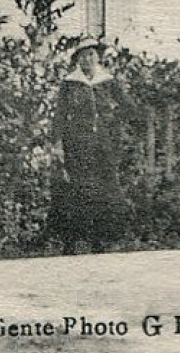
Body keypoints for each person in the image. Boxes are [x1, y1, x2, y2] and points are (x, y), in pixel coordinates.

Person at [47, 37, 131, 253]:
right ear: (78, 59)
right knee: (78, 190)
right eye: (84, 55)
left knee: (104, 190)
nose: (89, 58)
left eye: (92, 54)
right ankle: (72, 240)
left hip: (104, 144)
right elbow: (60, 115)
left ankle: (99, 240)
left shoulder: (108, 81)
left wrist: (114, 124)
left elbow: (128, 107)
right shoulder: (70, 84)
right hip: (77, 143)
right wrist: (57, 144)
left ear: (98, 57)